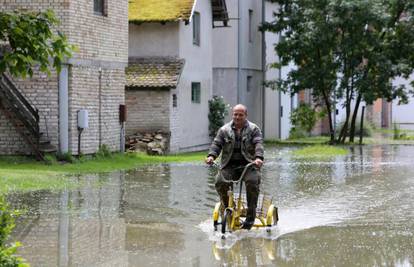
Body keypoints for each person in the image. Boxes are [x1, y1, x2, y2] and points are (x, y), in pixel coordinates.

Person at [206, 104, 264, 230]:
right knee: (220, 181)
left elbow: (258, 143)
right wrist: (211, 156)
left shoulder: (254, 129)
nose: (237, 117)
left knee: (252, 182)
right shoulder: (224, 130)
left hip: (249, 165)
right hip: (229, 165)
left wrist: (258, 158)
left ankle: (250, 219)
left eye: (240, 115)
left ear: (245, 115)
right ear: (232, 115)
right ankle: (227, 210)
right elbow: (216, 144)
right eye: (235, 114)